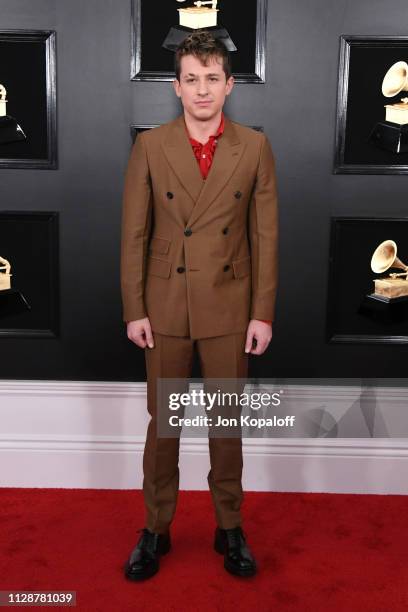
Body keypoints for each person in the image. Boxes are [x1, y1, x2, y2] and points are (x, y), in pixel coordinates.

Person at [120, 31, 278, 580]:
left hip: (231, 304)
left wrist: (262, 313)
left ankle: (229, 525)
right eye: (192, 79)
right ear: (176, 86)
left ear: (230, 85)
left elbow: (266, 236)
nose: (202, 90)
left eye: (213, 79)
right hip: (164, 304)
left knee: (226, 424)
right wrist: (134, 308)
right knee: (164, 425)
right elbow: (133, 234)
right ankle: (155, 527)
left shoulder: (254, 147)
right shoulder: (150, 146)